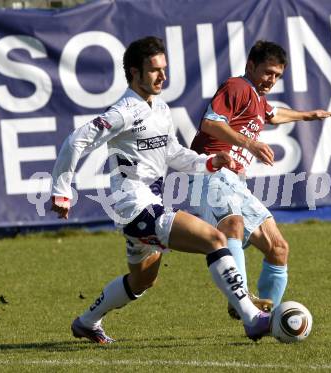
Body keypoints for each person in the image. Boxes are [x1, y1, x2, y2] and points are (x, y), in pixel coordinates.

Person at [50, 36, 272, 344]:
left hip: (148, 200)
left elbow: (172, 153)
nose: (163, 76)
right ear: (134, 72)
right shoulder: (124, 111)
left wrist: (210, 161)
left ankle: (86, 323)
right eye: (154, 70)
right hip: (134, 204)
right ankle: (252, 318)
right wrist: (62, 190)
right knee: (215, 239)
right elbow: (77, 140)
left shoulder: (161, 109)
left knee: (142, 280)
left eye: (164, 69)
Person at [189, 40, 331, 319]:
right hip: (211, 173)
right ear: (251, 66)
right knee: (233, 225)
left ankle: (266, 319)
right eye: (268, 72)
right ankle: (241, 299)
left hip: (235, 182)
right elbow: (209, 122)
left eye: (278, 75)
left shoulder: (257, 97)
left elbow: (274, 115)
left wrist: (307, 115)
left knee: (279, 249)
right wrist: (249, 144)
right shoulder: (237, 87)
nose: (272, 80)